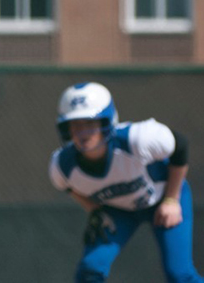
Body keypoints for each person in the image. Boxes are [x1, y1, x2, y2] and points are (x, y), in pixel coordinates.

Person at [48, 82, 202, 283]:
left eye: (90, 123)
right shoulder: (62, 165)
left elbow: (180, 146)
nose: (82, 132)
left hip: (163, 197)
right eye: (75, 125)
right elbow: (67, 187)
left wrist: (172, 199)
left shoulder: (138, 139)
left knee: (179, 273)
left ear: (107, 122)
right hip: (119, 209)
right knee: (91, 268)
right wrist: (95, 209)